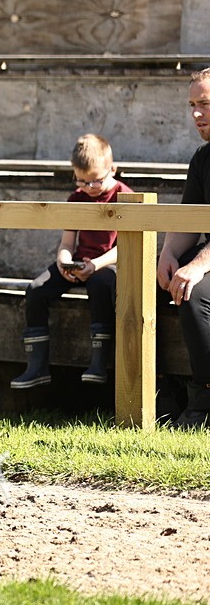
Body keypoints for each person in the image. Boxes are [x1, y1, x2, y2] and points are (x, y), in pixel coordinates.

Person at [11, 135, 134, 389]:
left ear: (113, 169)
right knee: (36, 289)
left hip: (110, 264)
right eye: (81, 180)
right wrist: (63, 262)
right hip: (80, 263)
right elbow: (68, 243)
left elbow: (125, 248)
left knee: (100, 283)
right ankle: (37, 366)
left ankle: (99, 362)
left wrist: (96, 265)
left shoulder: (124, 196)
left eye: (95, 180)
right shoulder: (77, 197)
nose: (89, 187)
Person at [155, 69, 210, 428]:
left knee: (193, 292)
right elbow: (189, 220)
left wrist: (199, 265)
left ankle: (204, 402)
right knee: (139, 290)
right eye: (191, 104)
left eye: (204, 103)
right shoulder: (203, 157)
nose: (195, 113)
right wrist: (168, 253)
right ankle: (161, 395)